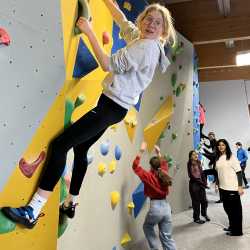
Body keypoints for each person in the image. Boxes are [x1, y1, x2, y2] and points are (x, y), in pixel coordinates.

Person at [1, 1, 176, 229]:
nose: (151, 24)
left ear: (163, 30)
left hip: (110, 108)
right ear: (141, 21)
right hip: (114, 107)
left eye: (157, 23)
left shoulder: (146, 48)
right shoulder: (142, 39)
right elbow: (122, 20)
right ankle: (71, 202)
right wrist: (108, 3)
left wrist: (88, 31)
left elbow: (107, 64)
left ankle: (33, 210)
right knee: (81, 148)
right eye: (148, 19)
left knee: (60, 145)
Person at [132, 142, 176, 250]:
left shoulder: (148, 176)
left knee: (147, 227)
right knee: (166, 236)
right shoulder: (164, 173)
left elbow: (135, 166)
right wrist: (159, 152)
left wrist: (141, 151)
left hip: (155, 207)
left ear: (151, 166)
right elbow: (164, 163)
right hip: (166, 207)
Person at [215, 139, 244, 236]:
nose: (221, 147)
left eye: (223, 145)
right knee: (227, 208)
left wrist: (240, 186)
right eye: (219, 145)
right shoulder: (219, 158)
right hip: (223, 188)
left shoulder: (232, 157)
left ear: (226, 146)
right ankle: (232, 226)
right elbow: (218, 172)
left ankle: (237, 231)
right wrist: (217, 183)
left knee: (235, 210)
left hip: (232, 188)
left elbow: (239, 172)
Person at [187, 150, 210, 224]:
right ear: (190, 156)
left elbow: (202, 173)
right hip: (194, 185)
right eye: (193, 154)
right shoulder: (190, 163)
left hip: (201, 184)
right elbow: (192, 176)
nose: (196, 155)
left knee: (204, 201)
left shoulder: (198, 162)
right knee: (196, 202)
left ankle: (204, 214)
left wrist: (205, 182)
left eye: (196, 154)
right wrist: (203, 184)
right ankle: (196, 218)